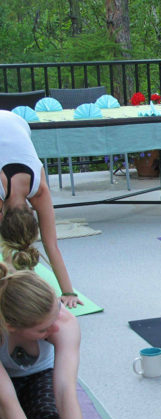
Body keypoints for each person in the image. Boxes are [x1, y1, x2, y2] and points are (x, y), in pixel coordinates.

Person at [0, 263, 87, 419]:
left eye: (55, 314)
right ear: (11, 327)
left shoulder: (64, 322)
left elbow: (65, 391)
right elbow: (6, 399)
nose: (55, 328)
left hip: (38, 375)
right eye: (43, 329)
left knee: (47, 415)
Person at [0, 110, 80, 308]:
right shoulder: (39, 190)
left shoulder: (39, 189)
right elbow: (51, 244)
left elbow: (50, 244)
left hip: (17, 124)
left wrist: (69, 292)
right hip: (13, 121)